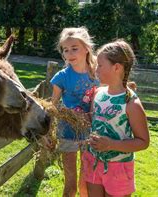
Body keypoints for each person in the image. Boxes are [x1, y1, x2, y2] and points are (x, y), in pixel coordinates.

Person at [83, 40, 150, 196]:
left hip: (118, 168)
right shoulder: (98, 93)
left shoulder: (131, 103)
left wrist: (111, 144)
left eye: (100, 65)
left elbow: (143, 142)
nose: (95, 69)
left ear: (117, 67)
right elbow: (93, 121)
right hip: (94, 161)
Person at [50, 27, 99, 197]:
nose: (69, 53)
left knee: (86, 181)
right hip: (67, 133)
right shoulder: (61, 77)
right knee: (70, 183)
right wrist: (49, 134)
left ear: (86, 48)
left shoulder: (97, 74)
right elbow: (52, 107)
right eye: (65, 50)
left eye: (74, 48)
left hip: (91, 134)